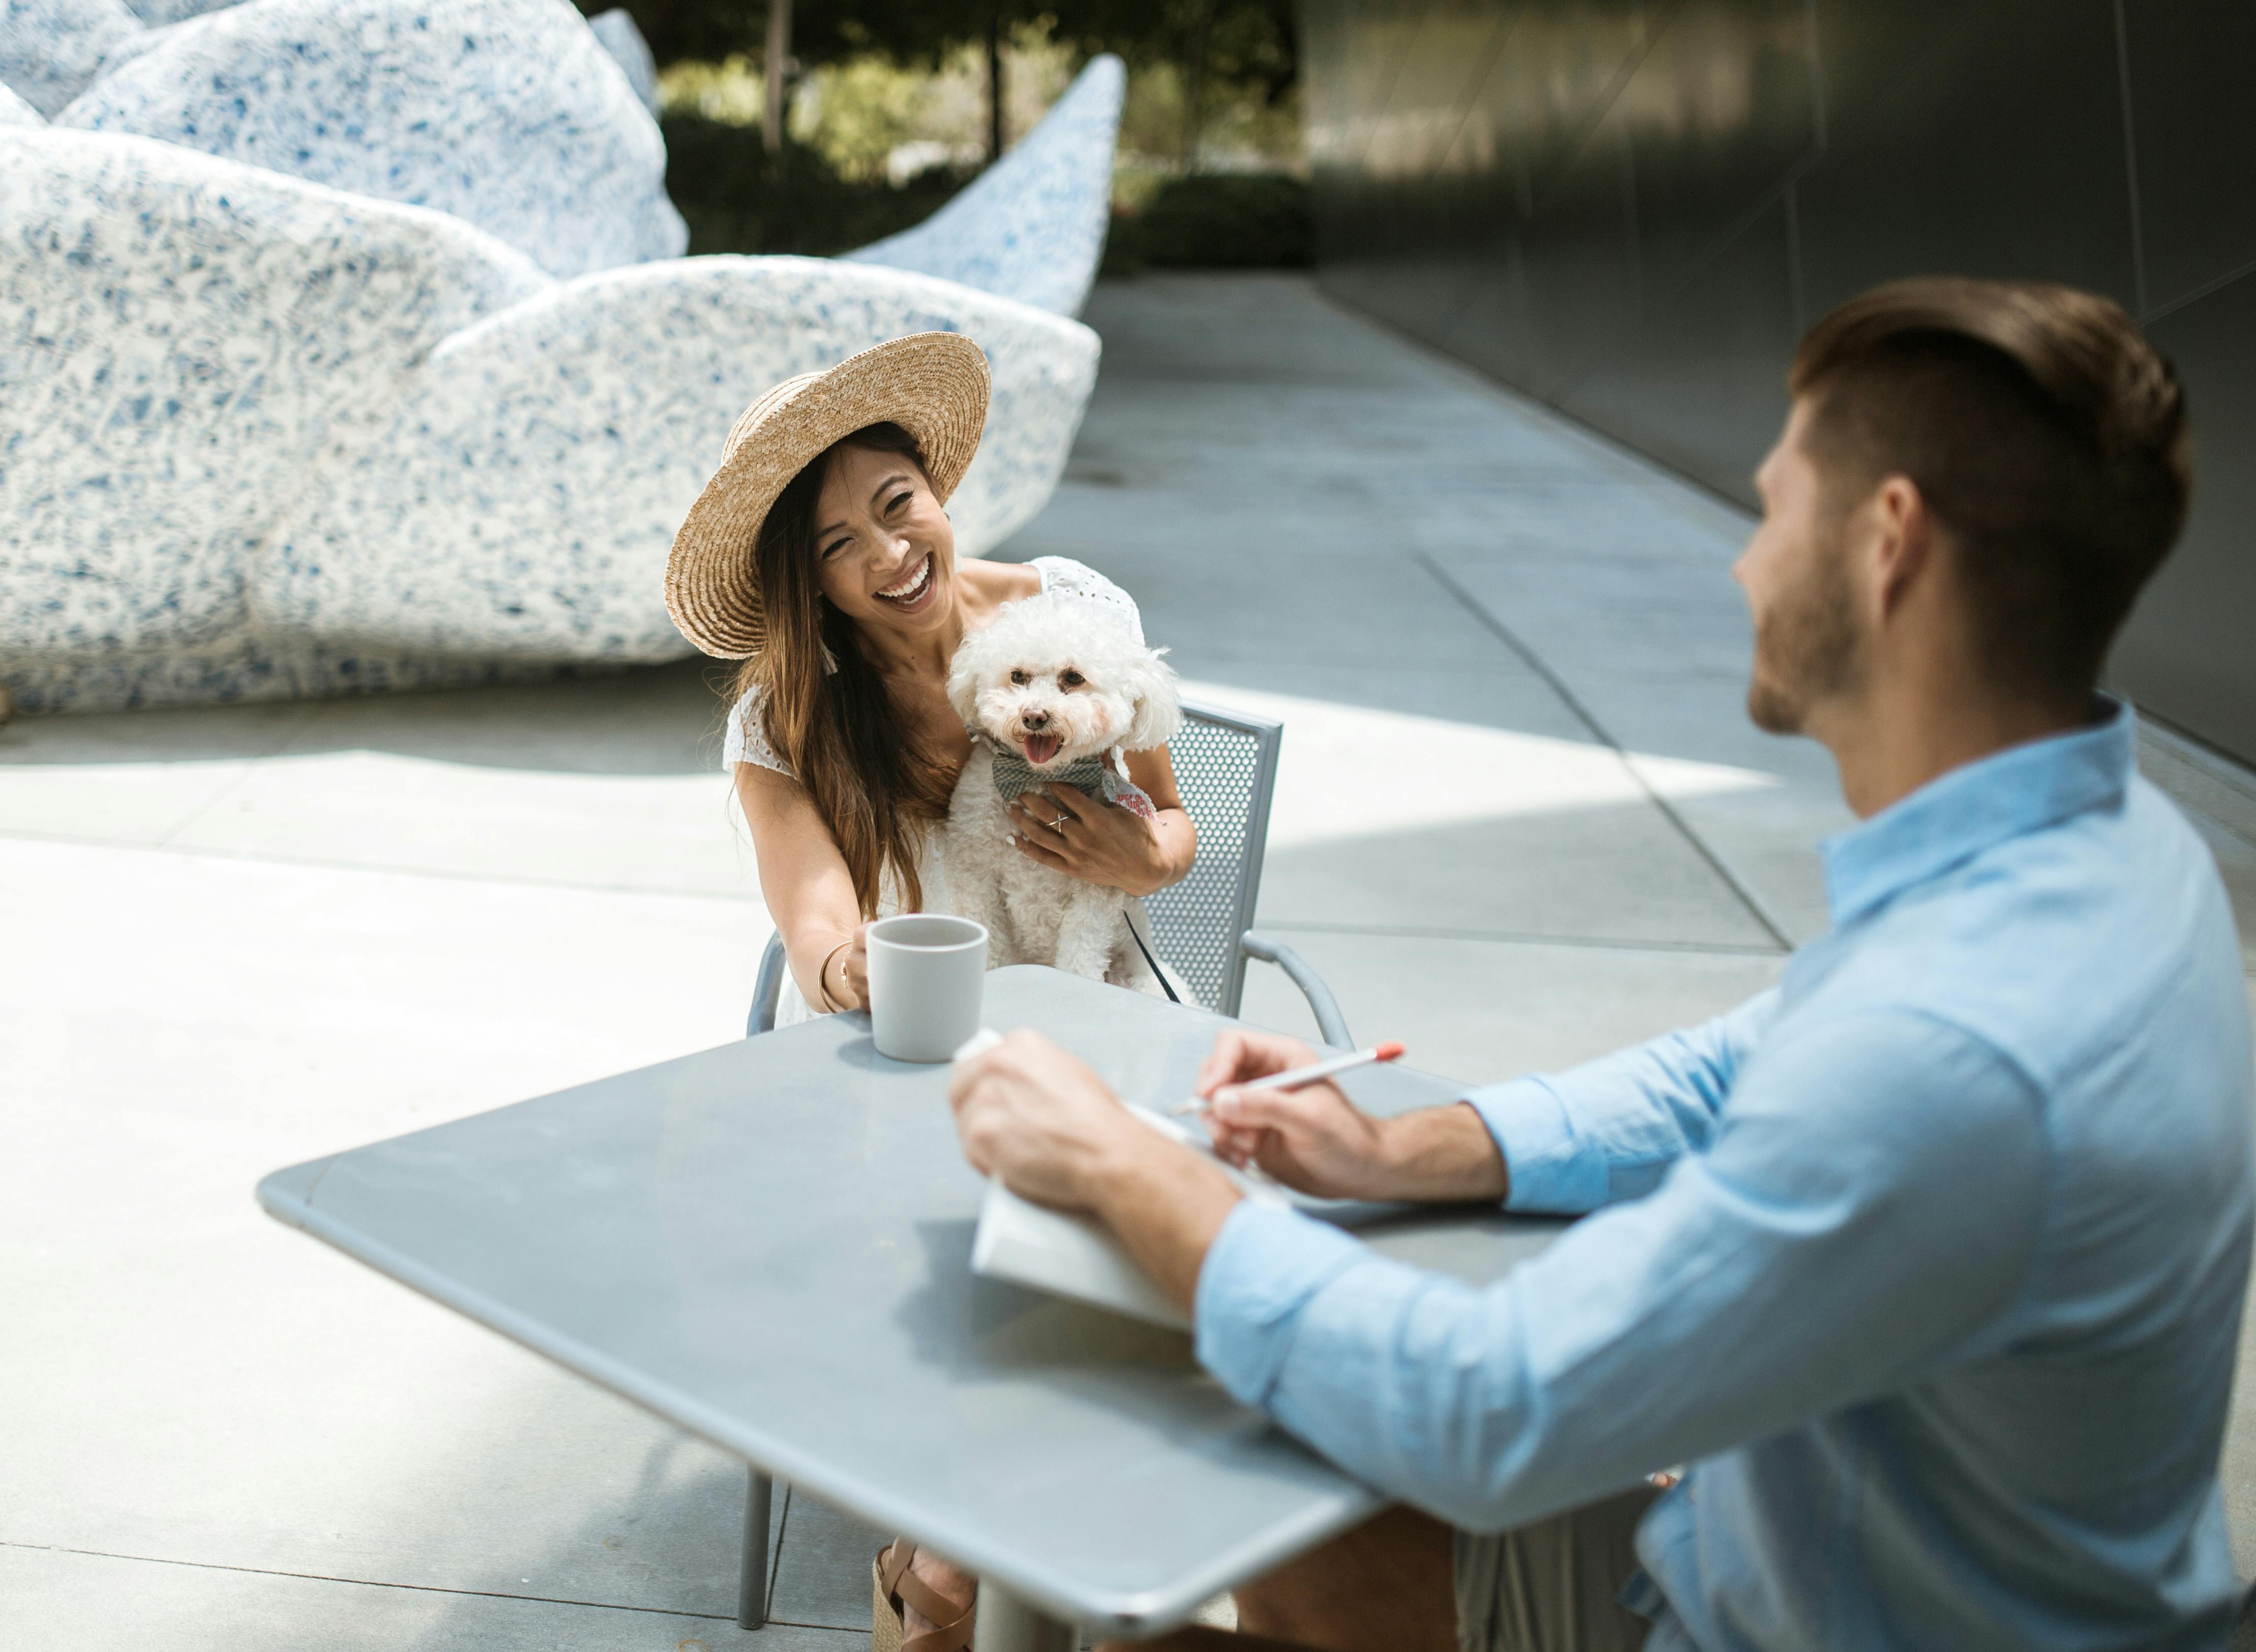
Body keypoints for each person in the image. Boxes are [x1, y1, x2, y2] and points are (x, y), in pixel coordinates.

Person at [945, 277, 2254, 1650]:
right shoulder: (2106, 845)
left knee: (1114, 1602)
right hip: (1775, 1542)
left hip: (1785, 1616)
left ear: (1887, 544)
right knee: (1281, 1511)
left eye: (1771, 510)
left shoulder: (1950, 1044)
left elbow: (1490, 1407)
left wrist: (1120, 1164)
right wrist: (1410, 1151)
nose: (1744, 563)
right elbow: (1738, 1066)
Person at [663, 332, 1198, 1027]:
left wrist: (1149, 859)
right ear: (813, 582)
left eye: (897, 503)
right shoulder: (787, 715)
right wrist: (845, 968)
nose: (891, 555)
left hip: (1076, 1000)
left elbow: (1167, 813)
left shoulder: (1076, 616)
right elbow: (814, 927)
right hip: (896, 1012)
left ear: (934, 485)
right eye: (838, 544)